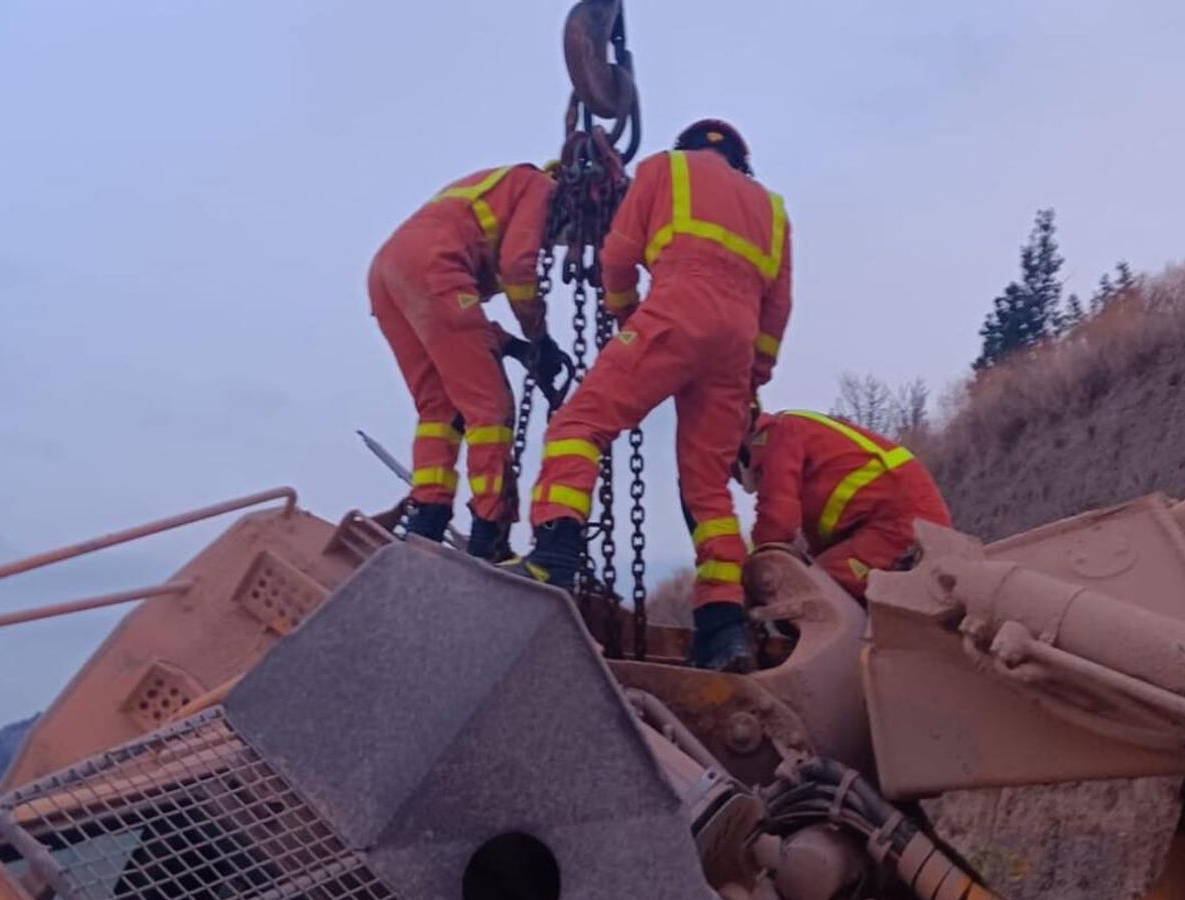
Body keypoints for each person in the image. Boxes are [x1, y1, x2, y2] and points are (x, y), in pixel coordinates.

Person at [504, 119, 793, 673]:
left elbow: (618, 254)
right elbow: (777, 309)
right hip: (734, 348)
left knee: (577, 428)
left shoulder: (664, 169)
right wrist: (752, 375)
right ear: (741, 161)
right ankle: (723, 627)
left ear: (688, 147)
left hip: (674, 312)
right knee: (708, 490)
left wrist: (626, 314)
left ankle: (554, 558)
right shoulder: (773, 210)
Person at [368, 162, 570, 560]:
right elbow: (517, 268)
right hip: (434, 269)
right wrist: (539, 337)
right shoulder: (537, 186)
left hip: (386, 273)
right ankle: (489, 535)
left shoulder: (492, 196)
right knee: (490, 411)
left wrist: (515, 348)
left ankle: (426, 519)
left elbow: (455, 325)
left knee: (439, 409)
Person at [738, 409, 952, 602]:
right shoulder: (799, 432)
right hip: (895, 521)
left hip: (897, 523)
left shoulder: (776, 435)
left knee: (806, 589)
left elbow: (776, 520)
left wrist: (748, 575)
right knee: (812, 578)